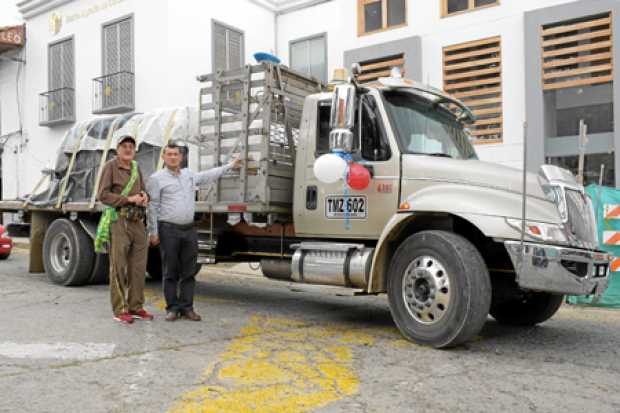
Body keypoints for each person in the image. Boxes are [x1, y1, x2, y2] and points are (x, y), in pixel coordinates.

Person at [147, 142, 242, 321]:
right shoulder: (156, 179)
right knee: (170, 271)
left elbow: (208, 176)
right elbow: (152, 207)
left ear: (181, 157)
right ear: (164, 157)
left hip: (189, 230)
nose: (173, 157)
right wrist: (153, 232)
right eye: (169, 154)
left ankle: (187, 307)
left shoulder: (188, 175)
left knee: (189, 271)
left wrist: (230, 166)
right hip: (168, 230)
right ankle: (172, 308)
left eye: (176, 154)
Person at [97, 135, 154, 324]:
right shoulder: (110, 167)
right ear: (117, 149)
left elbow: (144, 191)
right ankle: (120, 309)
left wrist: (145, 197)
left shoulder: (136, 167)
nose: (128, 149)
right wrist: (129, 199)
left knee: (138, 268)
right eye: (124, 146)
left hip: (138, 221)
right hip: (119, 220)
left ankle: (135, 306)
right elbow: (103, 195)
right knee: (118, 266)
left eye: (131, 146)